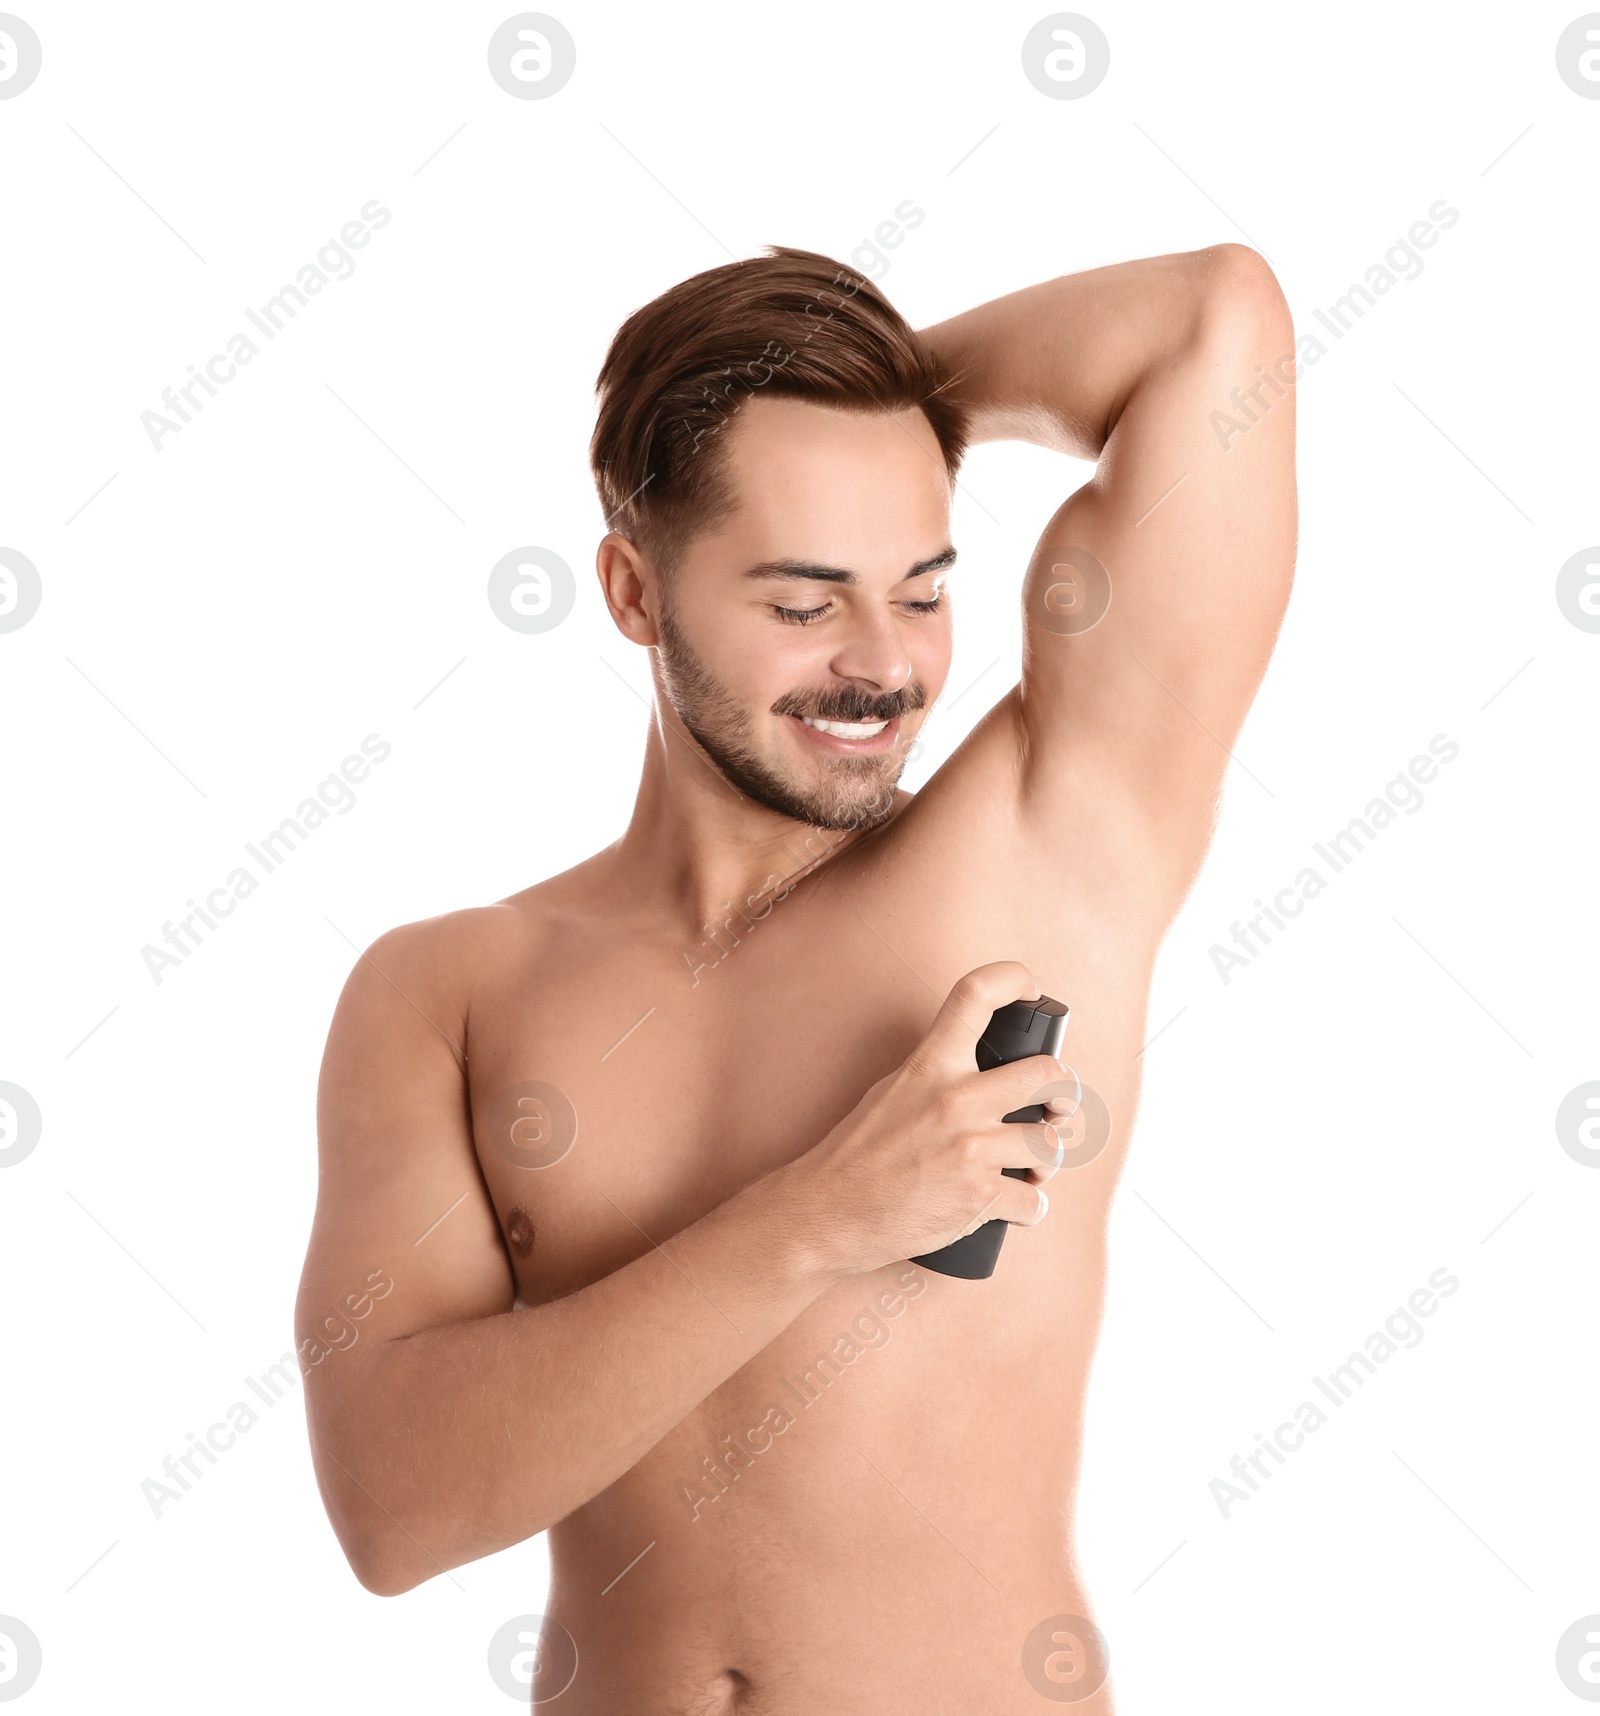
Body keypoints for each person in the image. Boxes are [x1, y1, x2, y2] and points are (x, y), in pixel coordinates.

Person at [296, 241, 1296, 1712]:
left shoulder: (1052, 832)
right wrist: (826, 1215)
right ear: (637, 588)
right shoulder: (448, 991)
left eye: (921, 589)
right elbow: (393, 1509)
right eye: (804, 600)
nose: (883, 667)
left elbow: (1217, 321)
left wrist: (867, 416)